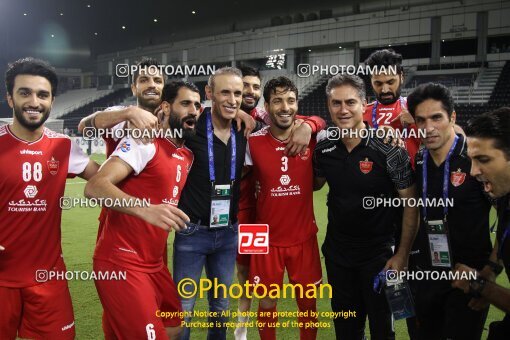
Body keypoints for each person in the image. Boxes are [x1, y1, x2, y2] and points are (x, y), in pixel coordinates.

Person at [84, 80, 200, 339]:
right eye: (185, 103)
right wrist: (145, 209)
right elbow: (95, 186)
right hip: (121, 261)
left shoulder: (187, 155)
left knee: (173, 324)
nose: (193, 110)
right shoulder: (144, 142)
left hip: (154, 263)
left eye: (197, 105)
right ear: (167, 108)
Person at [0, 57, 99, 339]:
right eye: (25, 93)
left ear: (52, 100)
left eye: (42, 94)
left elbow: (104, 179)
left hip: (48, 278)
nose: (34, 101)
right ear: (10, 98)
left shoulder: (64, 146)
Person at [314, 74, 418, 340]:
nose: (343, 109)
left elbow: (410, 204)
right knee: (347, 330)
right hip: (338, 256)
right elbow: (314, 184)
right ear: (328, 106)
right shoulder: (324, 147)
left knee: (383, 329)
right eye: (336, 103)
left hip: (380, 257)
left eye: (350, 102)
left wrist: (402, 255)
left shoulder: (389, 147)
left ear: (364, 104)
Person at [234, 67, 326, 340]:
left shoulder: (312, 137)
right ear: (267, 106)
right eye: (277, 100)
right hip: (264, 238)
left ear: (298, 104)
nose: (285, 107)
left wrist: (310, 125)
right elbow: (240, 181)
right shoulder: (253, 142)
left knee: (308, 305)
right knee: (265, 302)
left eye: (290, 101)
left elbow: (325, 122)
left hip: (303, 237)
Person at [406, 83, 493, 340]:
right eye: (420, 120)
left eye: (436, 118)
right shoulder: (420, 159)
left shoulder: (474, 159)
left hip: (467, 275)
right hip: (425, 273)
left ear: (452, 118)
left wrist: (489, 272)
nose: (428, 128)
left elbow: (506, 218)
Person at [451, 107, 510, 339]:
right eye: (471, 160)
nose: (473, 171)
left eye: (483, 160)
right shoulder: (505, 196)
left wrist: (480, 286)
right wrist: (491, 269)